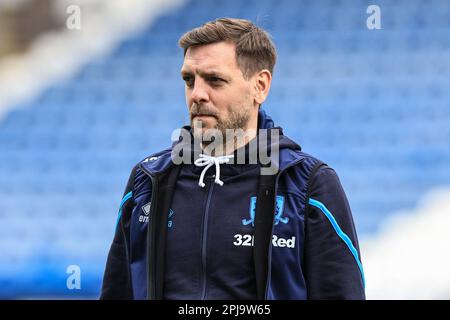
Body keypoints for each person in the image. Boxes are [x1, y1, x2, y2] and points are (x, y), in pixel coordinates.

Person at [100, 18, 365, 300]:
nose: (197, 95)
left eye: (214, 80)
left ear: (260, 86)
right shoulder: (148, 180)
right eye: (189, 80)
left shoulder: (308, 183)